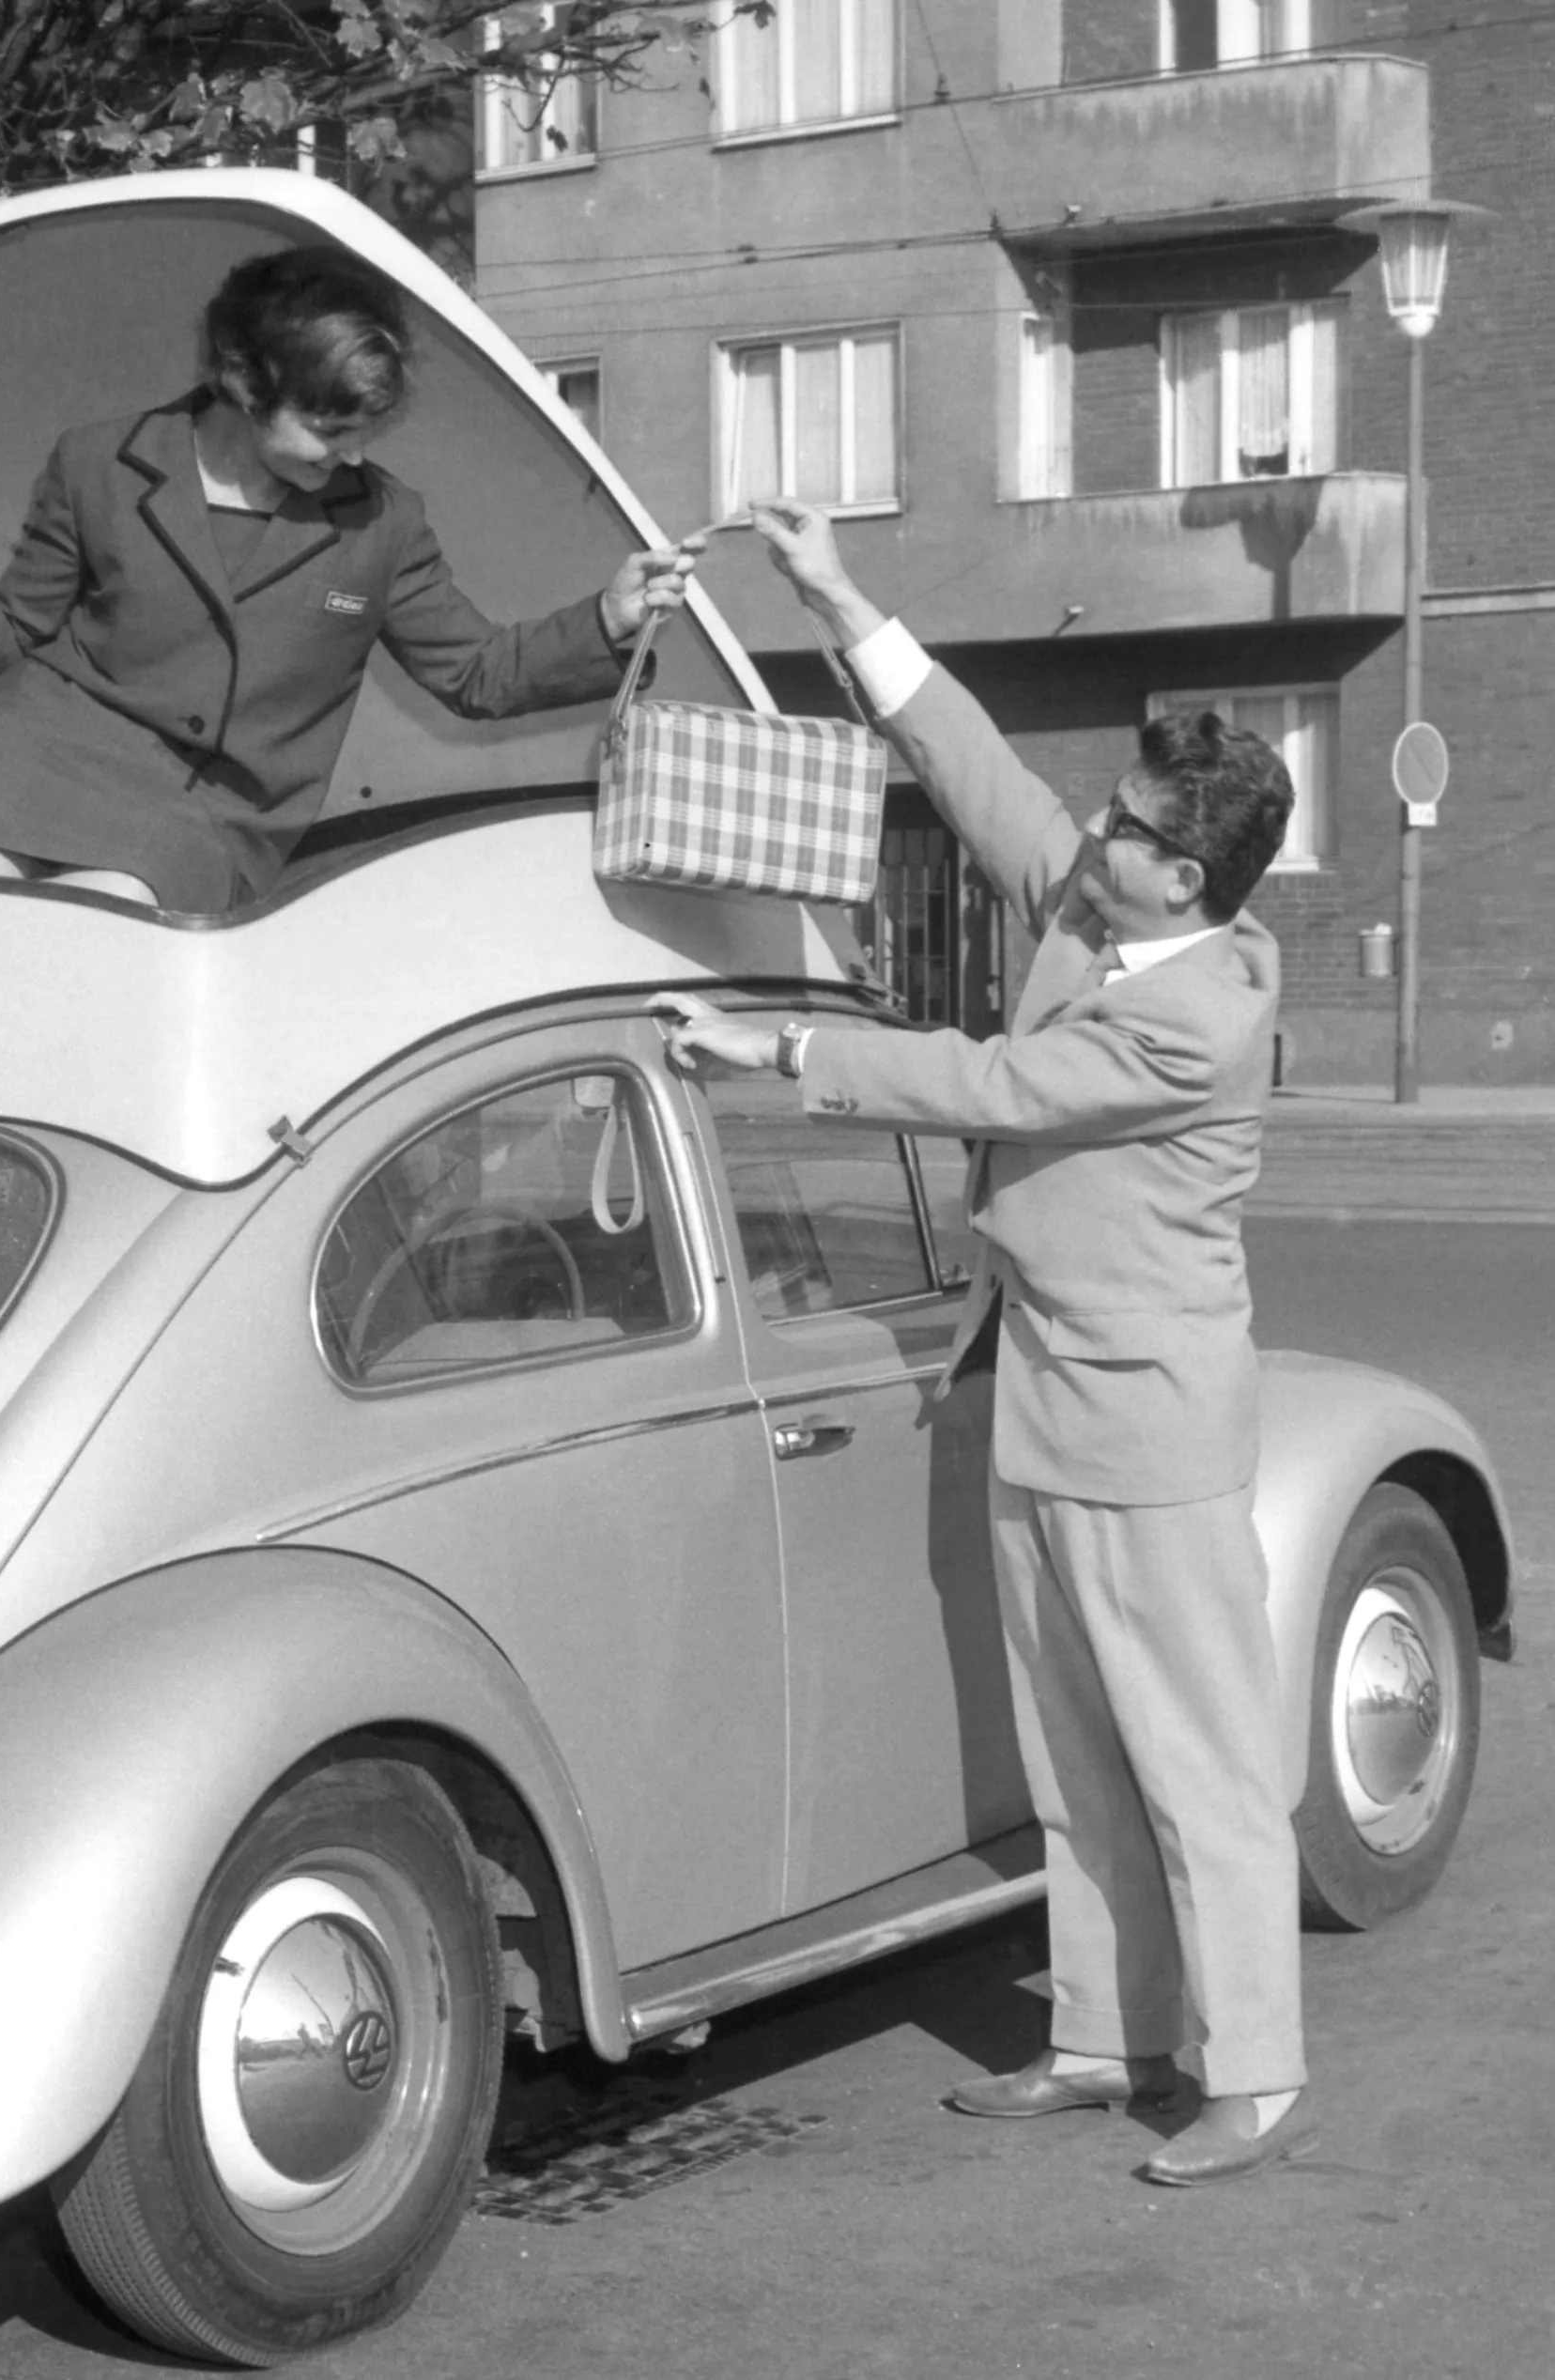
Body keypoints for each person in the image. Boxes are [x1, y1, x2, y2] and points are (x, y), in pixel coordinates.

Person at [661, 500, 1310, 2189]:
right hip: (1041, 1391)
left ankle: (1253, 2072)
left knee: (1199, 1764)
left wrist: (782, 1047)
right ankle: (1104, 2035)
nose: (1090, 830)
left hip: (1148, 1427)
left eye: (1127, 826)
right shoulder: (1105, 913)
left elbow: (999, 1085)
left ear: (1187, 875)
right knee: (1075, 1751)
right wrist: (839, 597)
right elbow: (978, 772)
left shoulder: (1198, 1013)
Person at [0, 245, 702, 913]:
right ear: (243, 383)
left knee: (95, 923)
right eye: (327, 431)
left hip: (206, 811)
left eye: (365, 434)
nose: (350, 456)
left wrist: (607, 618)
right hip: (40, 748)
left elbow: (478, 673)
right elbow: (15, 634)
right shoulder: (96, 462)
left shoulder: (385, 521)